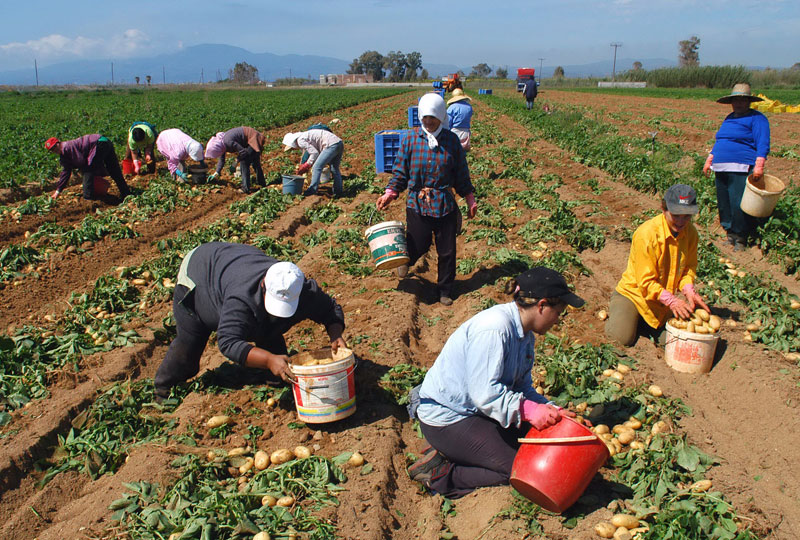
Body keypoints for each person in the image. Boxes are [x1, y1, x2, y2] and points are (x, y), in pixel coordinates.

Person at [406, 267, 585, 497]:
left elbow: (521, 387)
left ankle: (456, 451)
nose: (558, 320)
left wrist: (552, 410)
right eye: (558, 312)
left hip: (473, 411)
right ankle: (440, 474)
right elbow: (485, 394)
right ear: (541, 306)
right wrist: (528, 410)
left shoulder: (525, 334)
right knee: (520, 470)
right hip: (448, 416)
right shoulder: (495, 329)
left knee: (530, 445)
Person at [153, 242, 347, 400]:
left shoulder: (304, 290)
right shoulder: (241, 299)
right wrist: (270, 359)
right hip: (199, 275)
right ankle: (163, 388)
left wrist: (335, 334)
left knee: (270, 326)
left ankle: (271, 374)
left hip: (232, 264)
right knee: (191, 341)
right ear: (263, 285)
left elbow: (330, 309)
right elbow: (228, 342)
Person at [375, 93, 477, 306]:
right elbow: (400, 172)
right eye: (425, 118)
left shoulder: (451, 141)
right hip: (417, 202)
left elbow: (461, 173)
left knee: (447, 250)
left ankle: (445, 290)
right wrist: (390, 193)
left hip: (444, 203)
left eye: (433, 118)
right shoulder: (411, 139)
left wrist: (469, 198)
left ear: (441, 116)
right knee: (418, 243)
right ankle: (407, 260)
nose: (429, 122)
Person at [605, 184, 711, 347]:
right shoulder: (647, 234)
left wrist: (688, 289)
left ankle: (640, 324)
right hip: (634, 296)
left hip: (659, 302)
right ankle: (626, 314)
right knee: (621, 339)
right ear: (663, 208)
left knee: (675, 342)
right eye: (676, 215)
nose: (681, 221)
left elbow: (688, 267)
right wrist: (673, 301)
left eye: (687, 216)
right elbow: (645, 283)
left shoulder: (691, 234)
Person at [702, 83, 770, 251]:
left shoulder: (757, 118)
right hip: (721, 166)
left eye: (742, 100)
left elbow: (762, 142)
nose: (738, 104)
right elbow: (721, 140)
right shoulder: (729, 118)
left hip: (741, 166)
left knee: (738, 202)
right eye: (735, 100)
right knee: (724, 202)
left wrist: (759, 165)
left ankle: (741, 237)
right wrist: (710, 159)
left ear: (749, 102)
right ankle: (730, 233)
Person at [45, 135, 131, 200]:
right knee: (113, 170)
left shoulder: (67, 147)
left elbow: (81, 161)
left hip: (99, 144)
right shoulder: (64, 154)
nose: (54, 150)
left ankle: (88, 198)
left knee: (88, 170)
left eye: (55, 147)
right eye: (52, 150)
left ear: (58, 143)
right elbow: (66, 172)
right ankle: (126, 194)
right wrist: (58, 191)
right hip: (105, 141)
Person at [282, 127, 344, 197]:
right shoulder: (304, 136)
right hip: (339, 143)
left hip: (330, 145)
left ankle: (312, 190)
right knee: (334, 169)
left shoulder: (300, 140)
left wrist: (306, 165)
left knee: (316, 167)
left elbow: (315, 153)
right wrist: (307, 164)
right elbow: (314, 153)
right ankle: (338, 191)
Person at [205, 127, 266, 194]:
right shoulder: (221, 144)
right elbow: (221, 160)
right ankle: (262, 184)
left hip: (253, 138)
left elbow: (243, 152)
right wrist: (216, 173)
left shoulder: (227, 142)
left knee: (245, 161)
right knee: (254, 161)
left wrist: (235, 162)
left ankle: (245, 188)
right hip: (249, 140)